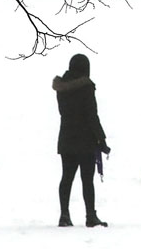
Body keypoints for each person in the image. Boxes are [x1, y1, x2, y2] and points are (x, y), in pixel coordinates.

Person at [53, 53, 110, 228]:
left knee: (67, 178)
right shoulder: (86, 87)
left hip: (67, 138)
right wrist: (101, 139)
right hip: (86, 140)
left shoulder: (62, 88)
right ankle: (90, 216)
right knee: (87, 180)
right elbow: (92, 116)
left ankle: (64, 215)